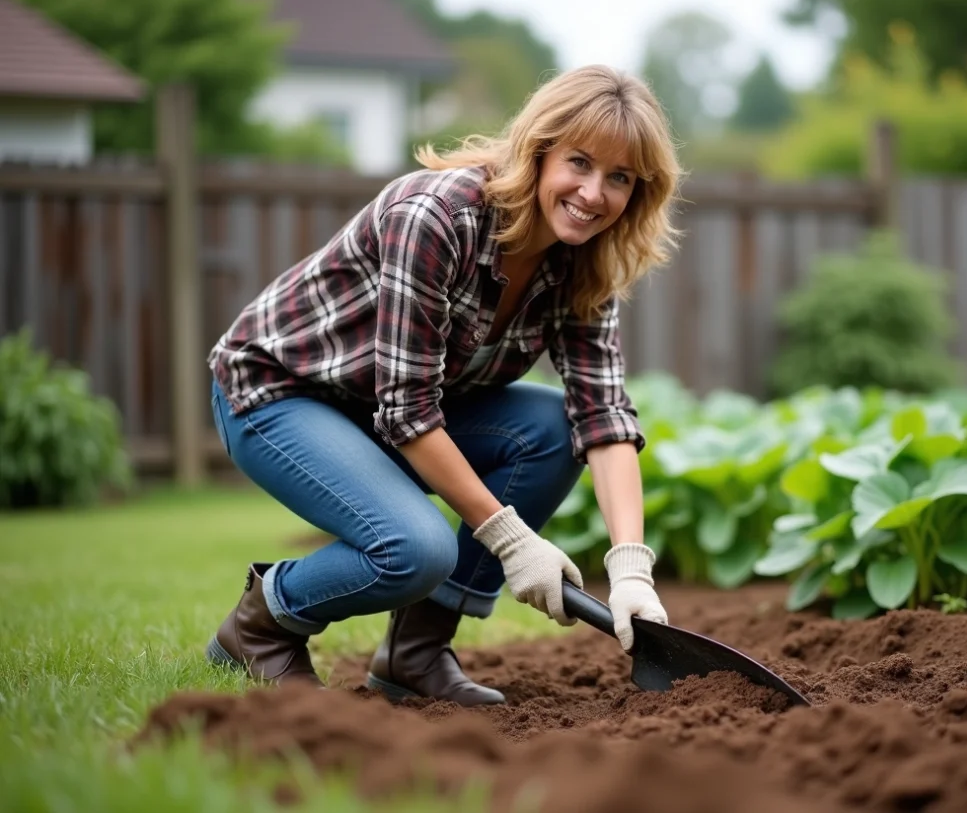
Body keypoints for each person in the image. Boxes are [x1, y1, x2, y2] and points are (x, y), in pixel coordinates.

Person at [204, 64, 682, 706]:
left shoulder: (585, 262)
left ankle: (415, 653)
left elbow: (603, 418)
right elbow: (406, 412)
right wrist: (513, 542)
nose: (594, 194)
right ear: (539, 151)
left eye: (619, 178)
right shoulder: (438, 216)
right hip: (280, 395)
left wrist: (630, 567)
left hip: (386, 415)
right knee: (416, 549)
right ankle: (260, 626)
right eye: (580, 163)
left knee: (549, 431)